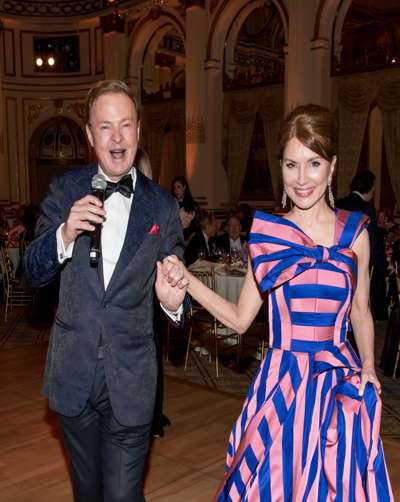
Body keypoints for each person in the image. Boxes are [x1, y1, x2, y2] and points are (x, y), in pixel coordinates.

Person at [163, 104, 393, 500]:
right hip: (282, 380)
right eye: (291, 165)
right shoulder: (270, 235)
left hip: (337, 382)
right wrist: (188, 282)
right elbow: (239, 319)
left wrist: (370, 367)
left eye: (313, 163)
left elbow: (361, 310)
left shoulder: (355, 233)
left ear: (332, 166)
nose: (302, 178)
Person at [23, 80, 186, 502]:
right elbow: (33, 272)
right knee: (89, 492)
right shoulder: (65, 190)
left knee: (122, 495)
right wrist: (64, 231)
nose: (117, 138)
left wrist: (174, 304)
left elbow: (177, 284)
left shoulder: (163, 206)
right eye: (106, 127)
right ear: (91, 135)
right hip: (73, 371)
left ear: (138, 132)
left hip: (132, 376)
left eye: (126, 125)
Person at [171, 175, 200, 240]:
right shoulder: (171, 205)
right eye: (174, 187)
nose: (176, 190)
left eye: (178, 187)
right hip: (174, 239)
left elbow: (198, 225)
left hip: (190, 240)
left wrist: (192, 236)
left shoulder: (193, 205)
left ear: (184, 187)